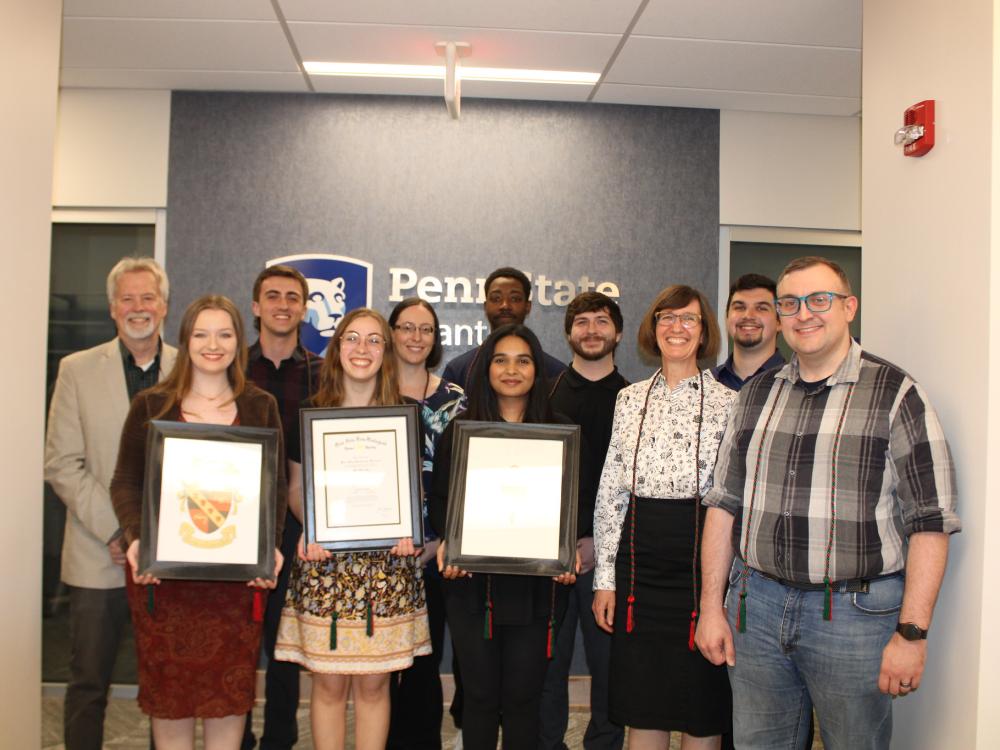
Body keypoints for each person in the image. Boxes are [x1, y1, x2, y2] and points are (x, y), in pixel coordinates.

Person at [695, 257, 961, 750]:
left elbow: (930, 522)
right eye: (790, 303)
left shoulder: (896, 394)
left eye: (820, 300)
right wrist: (711, 606)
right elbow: (723, 505)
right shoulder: (754, 396)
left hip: (856, 617)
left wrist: (913, 633)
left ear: (848, 307)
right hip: (756, 611)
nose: (805, 314)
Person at [110, 294, 287, 750]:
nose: (214, 344)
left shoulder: (260, 405)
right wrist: (136, 537)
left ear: (238, 340)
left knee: (228, 704)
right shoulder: (151, 405)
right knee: (171, 705)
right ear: (185, 340)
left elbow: (275, 489)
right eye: (202, 334)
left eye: (225, 334)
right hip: (164, 583)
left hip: (235, 587)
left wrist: (271, 544)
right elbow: (125, 482)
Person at [274, 307, 431, 750]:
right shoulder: (310, 412)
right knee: (327, 687)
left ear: (387, 350)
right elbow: (295, 488)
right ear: (337, 346)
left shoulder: (404, 415)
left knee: (375, 687)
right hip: (324, 565)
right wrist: (314, 527)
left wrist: (408, 528)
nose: (362, 349)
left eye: (374, 340)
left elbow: (411, 488)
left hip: (387, 570)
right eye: (352, 339)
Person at [592, 285, 736, 750]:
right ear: (653, 329)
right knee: (643, 702)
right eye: (667, 318)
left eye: (688, 319)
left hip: (702, 568)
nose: (677, 327)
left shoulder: (728, 403)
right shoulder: (629, 399)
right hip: (639, 566)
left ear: (704, 331)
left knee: (701, 708)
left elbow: (733, 500)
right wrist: (605, 579)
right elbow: (612, 491)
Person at [44, 256, 176, 750]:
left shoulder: (190, 366)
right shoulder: (76, 370)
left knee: (164, 683)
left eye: (147, 297)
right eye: (127, 298)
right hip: (100, 550)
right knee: (88, 682)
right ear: (111, 308)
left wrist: (152, 538)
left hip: (170, 557)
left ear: (163, 305)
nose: (137, 307)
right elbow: (61, 463)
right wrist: (122, 531)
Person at [429, 324, 578, 750]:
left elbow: (575, 502)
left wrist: (567, 552)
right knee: (477, 696)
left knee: (523, 699)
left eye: (523, 360)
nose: (512, 369)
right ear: (486, 369)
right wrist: (451, 543)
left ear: (537, 370)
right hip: (471, 585)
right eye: (501, 360)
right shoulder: (460, 430)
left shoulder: (562, 432)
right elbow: (441, 500)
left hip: (537, 587)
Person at [540, 292, 627, 750]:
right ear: (569, 332)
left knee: (610, 668)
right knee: (547, 666)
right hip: (550, 558)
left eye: (601, 321)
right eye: (582, 322)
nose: (591, 330)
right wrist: (560, 541)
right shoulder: (544, 395)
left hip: (612, 561)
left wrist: (598, 541)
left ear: (618, 331)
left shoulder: (635, 400)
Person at [242, 265, 322, 750]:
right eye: (272, 296)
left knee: (285, 647)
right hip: (234, 522)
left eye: (293, 297)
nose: (283, 305)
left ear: (304, 308)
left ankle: (278, 740)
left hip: (294, 524)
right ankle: (235, 738)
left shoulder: (321, 373)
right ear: (256, 307)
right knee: (237, 640)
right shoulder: (231, 366)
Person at [386, 298, 466, 750]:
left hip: (436, 553)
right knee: (383, 666)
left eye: (426, 330)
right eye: (407, 327)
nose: (416, 337)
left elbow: (466, 476)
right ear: (392, 332)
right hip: (381, 551)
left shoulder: (455, 399)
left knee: (425, 658)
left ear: (436, 339)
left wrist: (440, 541)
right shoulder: (371, 393)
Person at [441, 267, 566, 390]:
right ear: (485, 306)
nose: (505, 305)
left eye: (515, 299)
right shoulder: (457, 371)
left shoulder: (557, 373)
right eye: (496, 299)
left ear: (528, 307)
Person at [711, 273, 784, 391]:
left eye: (761, 308)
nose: (748, 315)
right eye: (739, 307)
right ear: (726, 318)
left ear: (779, 322)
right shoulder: (703, 386)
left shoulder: (796, 385)